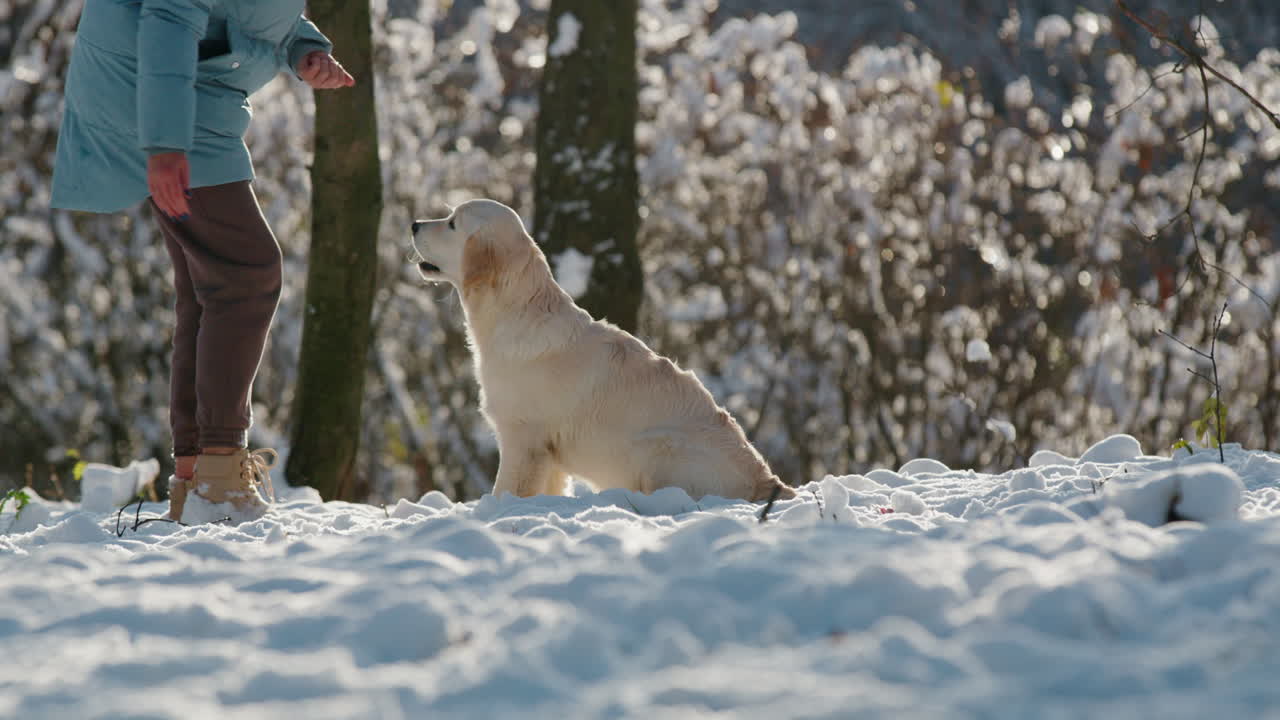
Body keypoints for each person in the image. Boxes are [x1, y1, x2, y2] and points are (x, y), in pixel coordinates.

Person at [51, 0, 355, 523]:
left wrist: (303, 48)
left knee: (209, 287)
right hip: (155, 94)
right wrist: (164, 144)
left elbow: (249, 12)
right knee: (247, 274)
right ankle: (218, 477)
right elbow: (168, 22)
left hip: (186, 95)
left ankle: (195, 477)